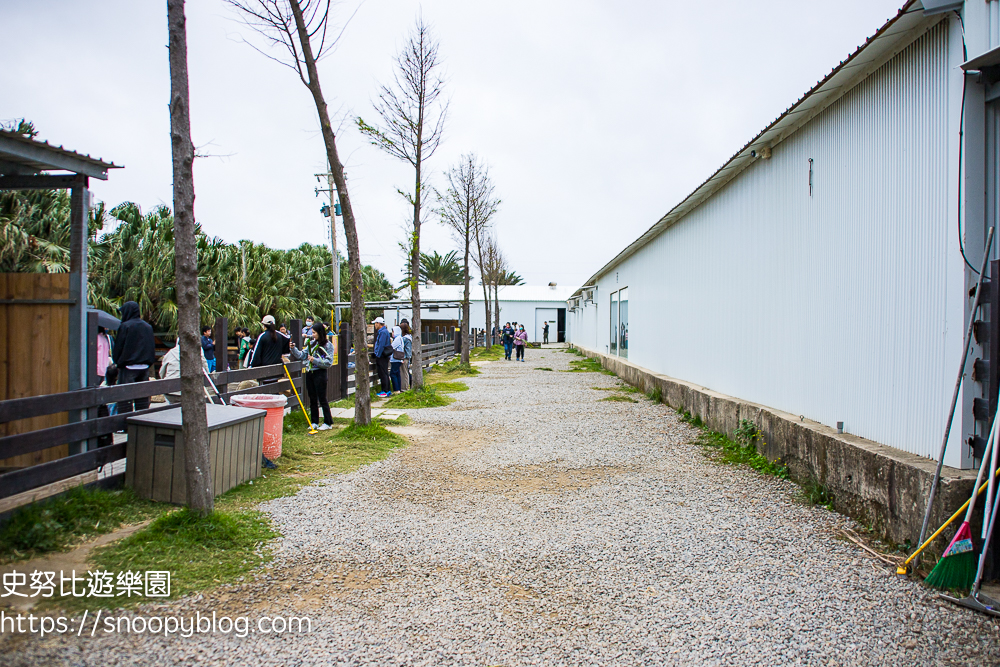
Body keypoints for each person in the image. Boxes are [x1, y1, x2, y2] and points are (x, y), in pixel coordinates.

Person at [112, 301, 156, 414]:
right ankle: (141, 422)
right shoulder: (148, 327)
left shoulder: (125, 326)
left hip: (128, 367)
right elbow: (151, 346)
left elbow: (119, 346)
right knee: (142, 399)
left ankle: (125, 424)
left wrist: (117, 362)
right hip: (144, 367)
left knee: (125, 398)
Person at [290, 322, 335, 430]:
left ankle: (328, 422)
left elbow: (328, 362)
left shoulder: (328, 345)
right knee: (312, 398)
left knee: (322, 398)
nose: (313, 334)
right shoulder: (312, 343)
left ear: (320, 332)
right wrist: (293, 348)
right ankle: (314, 421)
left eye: (314, 332)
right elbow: (302, 355)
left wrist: (315, 360)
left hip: (320, 373)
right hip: (310, 372)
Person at [159, 338, 209, 404]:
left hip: (170, 390)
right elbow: (204, 367)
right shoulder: (196, 351)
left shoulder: (170, 353)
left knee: (174, 407)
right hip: (189, 389)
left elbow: (162, 372)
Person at [371, 316, 392, 397]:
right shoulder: (384, 331)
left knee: (383, 373)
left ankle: (385, 390)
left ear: (378, 323)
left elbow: (381, 345)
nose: (375, 325)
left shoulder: (382, 332)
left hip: (382, 356)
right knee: (385, 372)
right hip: (383, 355)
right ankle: (387, 389)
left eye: (375, 323)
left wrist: (377, 355)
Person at [389, 325, 405, 393]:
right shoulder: (400, 338)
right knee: (397, 373)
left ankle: (396, 389)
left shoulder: (397, 339)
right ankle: (399, 388)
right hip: (399, 359)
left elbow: (392, 347)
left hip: (395, 359)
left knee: (393, 373)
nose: (392, 333)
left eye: (393, 331)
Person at [400, 321, 412, 391]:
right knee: (406, 372)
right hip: (408, 356)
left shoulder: (405, 338)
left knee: (404, 372)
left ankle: (404, 387)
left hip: (405, 357)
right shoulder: (409, 337)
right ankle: (406, 386)